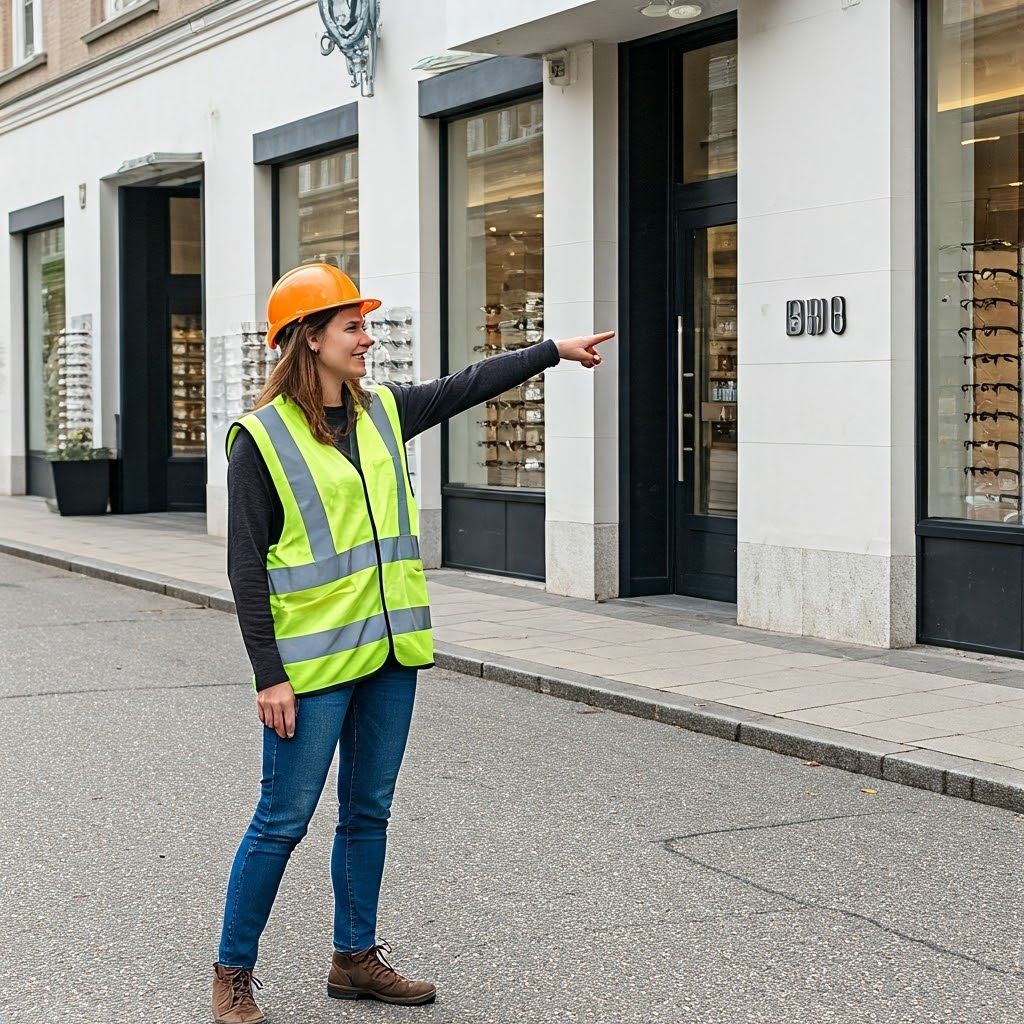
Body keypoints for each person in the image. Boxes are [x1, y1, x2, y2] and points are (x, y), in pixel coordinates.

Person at [212, 263, 613, 1024]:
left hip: (391, 658)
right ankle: (233, 971)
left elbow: (466, 384)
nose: (368, 339)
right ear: (308, 338)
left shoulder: (383, 412)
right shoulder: (260, 440)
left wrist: (551, 350)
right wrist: (270, 676)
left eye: (366, 326)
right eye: (353, 327)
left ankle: (354, 958)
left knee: (369, 811)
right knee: (282, 820)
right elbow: (245, 569)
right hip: (313, 669)